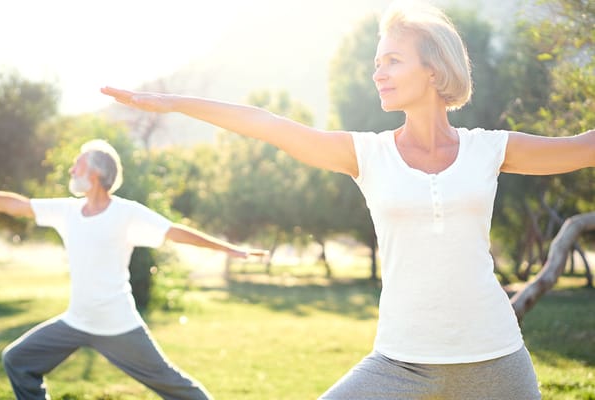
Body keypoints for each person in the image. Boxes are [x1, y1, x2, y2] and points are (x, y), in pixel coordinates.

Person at [99, 2, 594, 398]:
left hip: (496, 359)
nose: (378, 73)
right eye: (376, 63)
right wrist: (172, 102)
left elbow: (581, 148)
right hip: (401, 363)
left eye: (393, 60)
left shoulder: (489, 148)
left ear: (433, 69)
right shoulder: (367, 155)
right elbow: (269, 125)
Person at [0, 139, 267, 400]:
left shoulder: (127, 213)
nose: (71, 170)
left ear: (95, 174)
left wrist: (230, 249)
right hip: (76, 321)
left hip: (118, 325)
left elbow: (175, 232)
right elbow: (17, 205)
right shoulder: (67, 211)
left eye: (77, 164)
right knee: (17, 360)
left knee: (177, 388)